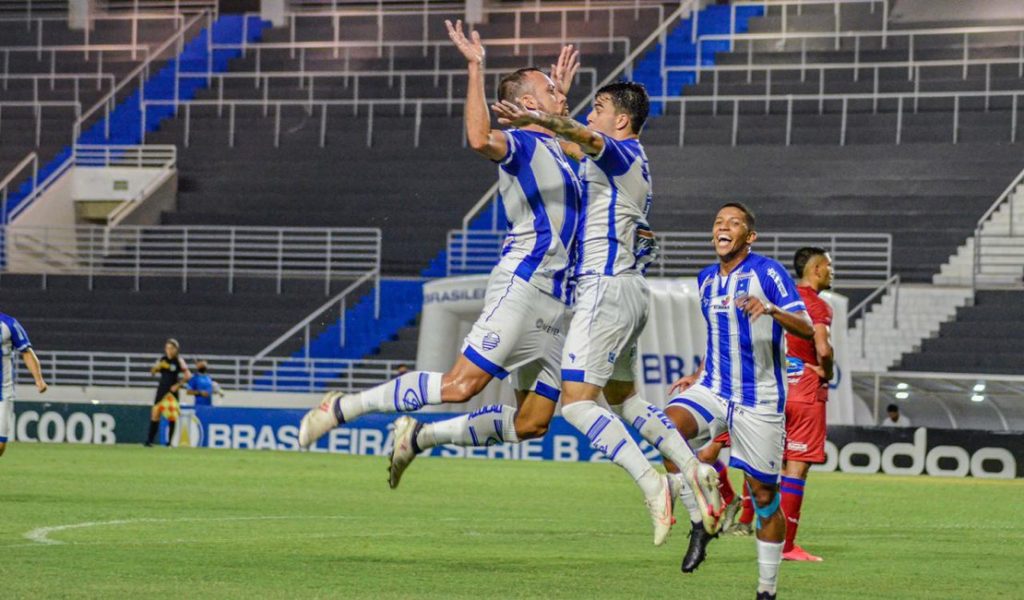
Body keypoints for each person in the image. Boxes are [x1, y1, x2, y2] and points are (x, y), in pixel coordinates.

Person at [299, 24, 582, 493]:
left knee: (533, 422)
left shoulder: (559, 146)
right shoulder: (521, 144)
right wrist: (476, 68)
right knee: (460, 386)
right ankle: (343, 407)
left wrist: (559, 101)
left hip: (558, 302)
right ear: (529, 104)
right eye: (550, 89)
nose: (561, 93)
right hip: (525, 285)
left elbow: (582, 145)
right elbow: (479, 138)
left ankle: (420, 436)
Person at [490, 82, 722, 543]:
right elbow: (567, 146)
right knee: (626, 401)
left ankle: (653, 485)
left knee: (577, 404)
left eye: (598, 108)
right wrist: (547, 107)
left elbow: (579, 136)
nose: (589, 115)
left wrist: (536, 116)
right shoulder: (626, 161)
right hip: (629, 291)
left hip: (603, 287)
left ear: (621, 120)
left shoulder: (619, 150)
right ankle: (694, 470)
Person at [663, 203, 814, 599]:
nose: (723, 227)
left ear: (750, 237)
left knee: (764, 498)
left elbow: (806, 327)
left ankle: (766, 591)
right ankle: (702, 522)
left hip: (759, 398)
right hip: (714, 388)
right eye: (718, 222)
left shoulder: (768, 272)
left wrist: (771, 309)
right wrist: (698, 372)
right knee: (665, 429)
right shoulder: (706, 280)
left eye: (733, 223)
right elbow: (720, 335)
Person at [779, 247, 835, 562]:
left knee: (776, 465)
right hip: (805, 393)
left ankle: (760, 529)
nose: (831, 272)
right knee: (797, 469)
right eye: (829, 266)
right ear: (815, 270)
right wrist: (827, 372)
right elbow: (823, 350)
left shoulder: (782, 299)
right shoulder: (817, 305)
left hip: (777, 390)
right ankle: (786, 546)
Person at [0, 313, 48, 457]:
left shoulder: (9, 324)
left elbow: (26, 352)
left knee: (1, 444)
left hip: (4, 392)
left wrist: (39, 380)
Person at [145, 339, 191, 447]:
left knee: (172, 416)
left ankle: (169, 442)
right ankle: (149, 441)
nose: (169, 350)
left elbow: (188, 375)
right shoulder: (162, 360)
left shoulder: (178, 360)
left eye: (171, 348)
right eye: (167, 348)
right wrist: (156, 367)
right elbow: (152, 372)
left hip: (172, 391)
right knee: (155, 413)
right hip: (162, 389)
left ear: (176, 349)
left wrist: (178, 385)